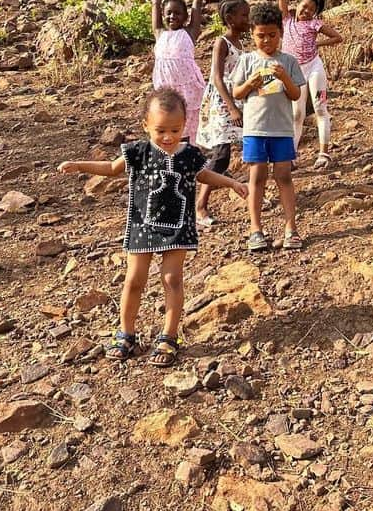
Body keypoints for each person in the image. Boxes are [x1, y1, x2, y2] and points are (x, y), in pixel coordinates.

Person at [58, 88, 247, 366]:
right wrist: (80, 165)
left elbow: (204, 174)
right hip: (143, 226)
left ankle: (169, 337)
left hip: (177, 228)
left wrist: (231, 182)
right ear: (146, 125)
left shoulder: (189, 155)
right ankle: (126, 333)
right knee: (134, 280)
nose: (168, 137)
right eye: (160, 130)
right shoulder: (138, 152)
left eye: (175, 129)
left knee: (172, 279)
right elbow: (112, 168)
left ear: (184, 126)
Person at [231, 1, 305, 252]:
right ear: (252, 34)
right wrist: (251, 83)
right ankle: (255, 229)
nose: (266, 41)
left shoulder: (288, 61)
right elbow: (237, 93)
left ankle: (291, 228)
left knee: (283, 175)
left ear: (281, 34)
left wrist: (284, 77)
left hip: (282, 129)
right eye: (261, 36)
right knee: (257, 176)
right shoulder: (247, 60)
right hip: (255, 129)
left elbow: (295, 95)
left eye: (272, 35)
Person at [271, 0, 344, 170]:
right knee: (296, 113)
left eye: (311, 8)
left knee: (320, 108)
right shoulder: (287, 20)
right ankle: (291, 156)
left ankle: (324, 153)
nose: (306, 11)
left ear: (315, 12)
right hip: (295, 71)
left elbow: (337, 37)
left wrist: (317, 42)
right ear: (297, 5)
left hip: (313, 67)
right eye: (304, 6)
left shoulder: (315, 24)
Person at [194, 0, 250, 228]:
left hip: (236, 99)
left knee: (247, 148)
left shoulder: (239, 42)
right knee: (221, 153)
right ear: (229, 19)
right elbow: (217, 78)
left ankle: (251, 193)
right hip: (222, 102)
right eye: (243, 16)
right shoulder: (222, 42)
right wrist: (232, 107)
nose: (247, 20)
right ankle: (200, 205)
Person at [151, 0, 206, 144]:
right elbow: (155, 6)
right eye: (169, 13)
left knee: (188, 126)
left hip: (188, 89)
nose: (172, 16)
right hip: (165, 87)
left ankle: (190, 158)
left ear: (185, 17)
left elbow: (197, 7)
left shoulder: (189, 33)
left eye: (177, 13)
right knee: (166, 121)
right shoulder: (159, 32)